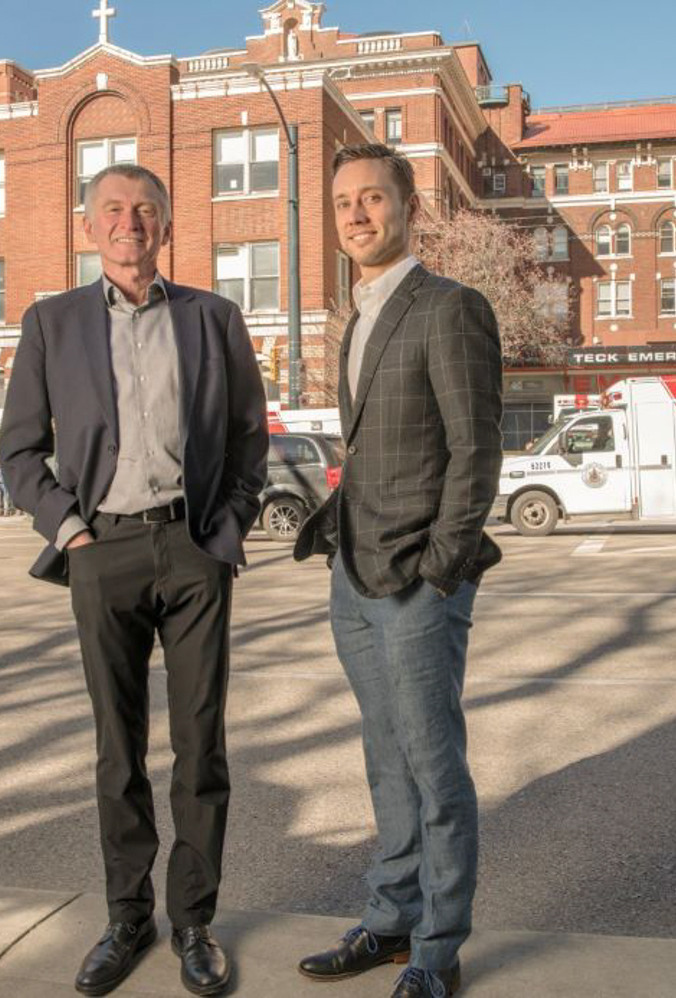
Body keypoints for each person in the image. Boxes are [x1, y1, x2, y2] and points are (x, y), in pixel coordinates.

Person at [0, 162, 268, 998]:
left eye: (145, 210)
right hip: (100, 551)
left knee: (200, 747)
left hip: (193, 551)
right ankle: (126, 917)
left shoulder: (214, 318)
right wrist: (70, 530)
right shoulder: (52, 323)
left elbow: (252, 440)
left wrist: (224, 532)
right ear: (89, 227)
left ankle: (193, 922)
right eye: (113, 210)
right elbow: (17, 452)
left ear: (166, 226)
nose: (130, 223)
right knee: (119, 750)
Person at [293, 144, 504, 998]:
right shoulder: (361, 313)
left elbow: (475, 450)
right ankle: (390, 919)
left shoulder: (449, 307)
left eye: (372, 197)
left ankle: (436, 949)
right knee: (385, 758)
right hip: (354, 574)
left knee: (432, 765)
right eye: (343, 201)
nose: (355, 214)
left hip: (415, 580)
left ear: (407, 206)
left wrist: (440, 568)